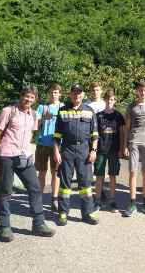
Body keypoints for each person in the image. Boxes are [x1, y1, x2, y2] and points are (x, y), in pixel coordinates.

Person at [0, 87, 55, 242]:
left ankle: (38, 224)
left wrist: (29, 151)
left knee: (34, 188)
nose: (29, 100)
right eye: (27, 96)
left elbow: (30, 135)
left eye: (32, 98)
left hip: (24, 157)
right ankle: (5, 227)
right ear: (21, 96)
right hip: (6, 155)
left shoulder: (33, 115)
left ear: (35, 99)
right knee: (6, 191)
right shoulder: (9, 111)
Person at [53, 84, 100, 226]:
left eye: (79, 93)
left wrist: (94, 150)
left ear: (83, 95)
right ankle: (63, 213)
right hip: (67, 149)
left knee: (85, 184)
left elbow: (95, 135)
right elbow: (56, 136)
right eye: (74, 93)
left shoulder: (89, 111)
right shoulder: (62, 111)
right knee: (65, 183)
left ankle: (87, 213)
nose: (76, 95)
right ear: (70, 94)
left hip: (84, 150)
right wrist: (56, 151)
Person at [122, 80, 145, 217]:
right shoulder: (131, 107)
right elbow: (127, 128)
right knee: (132, 172)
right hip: (134, 142)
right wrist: (125, 145)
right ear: (137, 91)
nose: (142, 93)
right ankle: (132, 203)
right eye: (140, 90)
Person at [93, 89, 125, 212]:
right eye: (107, 99)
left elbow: (122, 133)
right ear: (104, 100)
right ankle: (97, 200)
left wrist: (122, 148)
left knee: (112, 176)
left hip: (114, 150)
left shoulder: (118, 115)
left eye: (112, 99)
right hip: (101, 149)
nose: (109, 101)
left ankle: (112, 200)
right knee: (99, 176)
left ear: (114, 101)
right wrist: (93, 150)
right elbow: (94, 134)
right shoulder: (98, 116)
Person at [35, 83, 64, 213]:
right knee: (42, 172)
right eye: (52, 92)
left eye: (56, 92)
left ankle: (54, 199)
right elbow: (34, 125)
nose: (54, 94)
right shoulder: (42, 107)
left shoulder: (63, 107)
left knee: (56, 173)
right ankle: (39, 200)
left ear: (60, 94)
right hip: (42, 143)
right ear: (48, 94)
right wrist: (42, 119)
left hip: (58, 145)